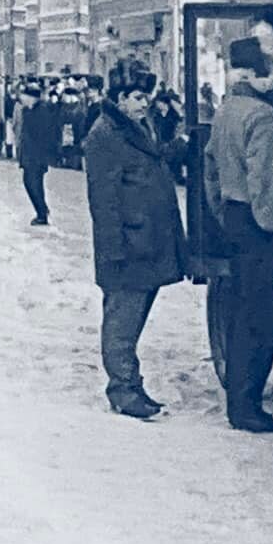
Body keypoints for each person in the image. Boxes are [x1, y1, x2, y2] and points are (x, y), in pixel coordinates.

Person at [83, 61, 189, 419]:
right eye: (138, 97)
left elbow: (151, 163)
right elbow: (103, 200)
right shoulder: (105, 134)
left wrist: (180, 146)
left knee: (133, 318)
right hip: (128, 246)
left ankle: (131, 383)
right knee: (122, 322)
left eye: (146, 97)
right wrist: (113, 250)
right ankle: (123, 390)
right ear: (120, 98)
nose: (145, 103)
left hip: (146, 242)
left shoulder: (135, 126)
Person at [204, 36, 273, 433]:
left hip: (236, 216)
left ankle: (239, 400)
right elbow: (267, 179)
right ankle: (246, 406)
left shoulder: (226, 110)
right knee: (261, 315)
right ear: (261, 74)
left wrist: (224, 213)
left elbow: (210, 169)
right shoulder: (263, 117)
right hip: (260, 225)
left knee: (242, 310)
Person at [16, 79, 56, 225]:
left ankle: (42, 214)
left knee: (32, 183)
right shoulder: (27, 110)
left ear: (32, 97)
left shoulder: (42, 111)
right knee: (32, 183)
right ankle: (42, 211)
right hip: (28, 154)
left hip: (37, 155)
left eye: (24, 95)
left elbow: (45, 134)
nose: (21, 98)